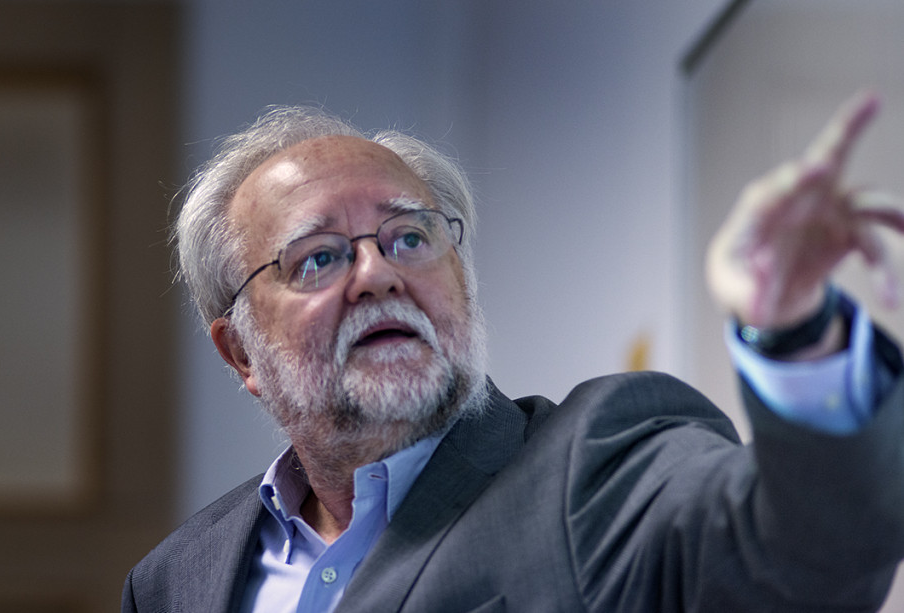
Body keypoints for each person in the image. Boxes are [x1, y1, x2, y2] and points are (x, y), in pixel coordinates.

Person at [122, 93, 904, 612]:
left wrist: (797, 336)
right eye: (318, 257)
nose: (377, 274)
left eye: (409, 236)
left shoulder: (594, 464)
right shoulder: (174, 580)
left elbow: (803, 558)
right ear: (240, 354)